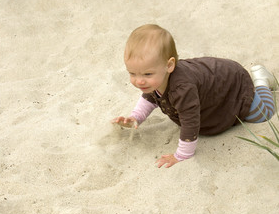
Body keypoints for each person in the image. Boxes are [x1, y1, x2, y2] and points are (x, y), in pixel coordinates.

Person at [111, 24, 276, 168]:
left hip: (233, 84)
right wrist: (135, 118)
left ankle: (261, 82)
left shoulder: (182, 88)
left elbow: (190, 121)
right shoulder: (156, 79)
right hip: (213, 83)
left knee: (261, 113)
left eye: (147, 74)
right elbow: (150, 97)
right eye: (132, 73)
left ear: (169, 65)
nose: (139, 81)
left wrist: (181, 155)